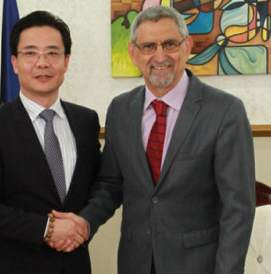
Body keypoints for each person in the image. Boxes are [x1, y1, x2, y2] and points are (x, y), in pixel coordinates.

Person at [53, 6, 256, 274]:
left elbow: (238, 209)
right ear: (133, 53)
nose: (160, 56)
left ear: (187, 47)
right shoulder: (120, 109)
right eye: (148, 46)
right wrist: (84, 224)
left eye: (170, 44)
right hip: (135, 262)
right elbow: (111, 184)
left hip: (198, 266)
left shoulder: (225, 111)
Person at [0, 10, 100, 274]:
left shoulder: (86, 121)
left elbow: (99, 185)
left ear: (66, 61)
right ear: (14, 62)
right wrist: (46, 229)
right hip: (15, 265)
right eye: (30, 53)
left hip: (74, 264)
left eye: (52, 53)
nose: (42, 63)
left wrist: (83, 224)